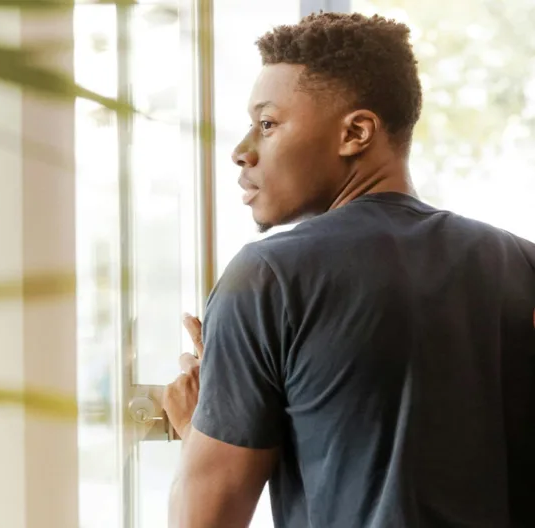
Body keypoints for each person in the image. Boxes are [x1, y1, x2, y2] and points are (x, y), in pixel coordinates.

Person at [162, 11, 535, 528]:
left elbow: (203, 521)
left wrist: (198, 429)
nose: (242, 152)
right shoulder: (522, 262)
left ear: (356, 132)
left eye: (267, 124)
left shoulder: (268, 276)